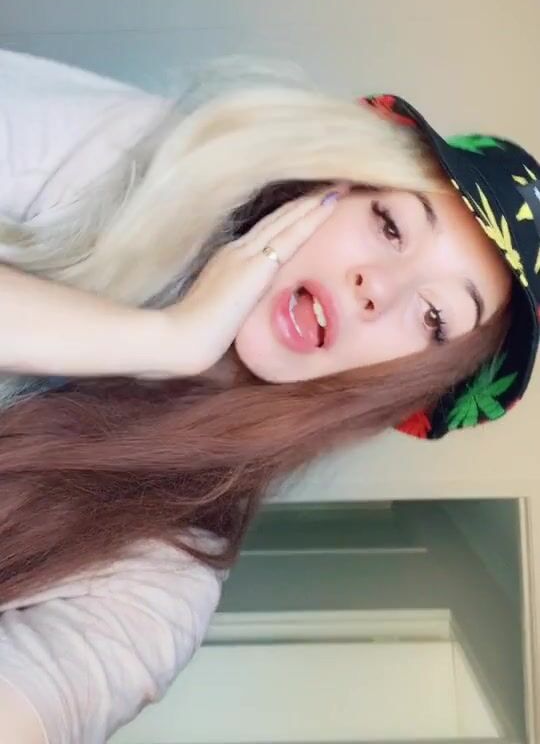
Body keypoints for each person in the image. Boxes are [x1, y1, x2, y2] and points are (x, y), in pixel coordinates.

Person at [0, 49, 538, 743]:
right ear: (333, 186)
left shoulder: (162, 580)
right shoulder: (129, 155)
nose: (378, 286)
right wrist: (160, 338)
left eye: (434, 318)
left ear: (402, 393)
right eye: (390, 225)